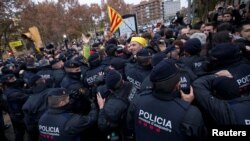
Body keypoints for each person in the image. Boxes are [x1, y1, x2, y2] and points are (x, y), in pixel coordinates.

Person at [127, 59, 207, 141]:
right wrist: (184, 107)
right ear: (178, 85)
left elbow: (130, 128)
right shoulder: (191, 114)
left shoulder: (138, 99)